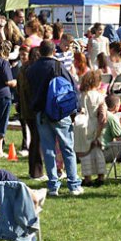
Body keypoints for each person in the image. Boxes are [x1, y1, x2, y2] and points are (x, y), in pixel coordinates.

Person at [27, 40, 83, 196]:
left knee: (48, 150)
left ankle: (53, 185)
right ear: (53, 51)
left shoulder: (32, 69)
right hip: (59, 111)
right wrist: (76, 108)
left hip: (41, 112)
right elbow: (71, 86)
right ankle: (73, 184)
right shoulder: (57, 66)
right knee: (67, 149)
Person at [74, 70, 107, 187]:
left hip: (83, 125)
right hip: (95, 124)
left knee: (85, 153)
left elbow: (80, 110)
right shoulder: (100, 96)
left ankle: (87, 177)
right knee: (97, 151)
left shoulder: (82, 95)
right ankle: (101, 176)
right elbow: (103, 115)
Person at [17, 47, 45, 180]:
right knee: (37, 141)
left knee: (34, 140)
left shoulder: (23, 69)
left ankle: (33, 170)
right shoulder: (34, 71)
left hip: (25, 109)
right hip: (33, 110)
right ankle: (36, 172)